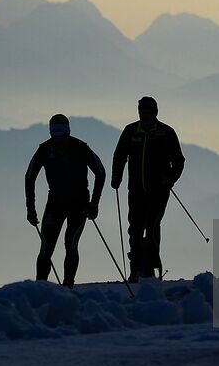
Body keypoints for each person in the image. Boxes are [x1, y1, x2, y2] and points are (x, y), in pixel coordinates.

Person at [25, 114, 105, 288]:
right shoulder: (45, 149)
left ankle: (68, 286)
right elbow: (29, 177)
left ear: (69, 131)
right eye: (55, 131)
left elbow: (100, 172)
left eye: (62, 131)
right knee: (46, 247)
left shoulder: (80, 147)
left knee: (71, 244)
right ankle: (40, 288)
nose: (59, 136)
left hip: (79, 205)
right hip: (55, 204)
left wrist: (94, 203)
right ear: (50, 132)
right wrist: (30, 209)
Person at [112, 96, 185, 282]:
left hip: (159, 191)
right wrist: (116, 178)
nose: (145, 114)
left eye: (148, 111)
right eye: (142, 111)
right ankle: (135, 269)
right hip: (135, 190)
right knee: (135, 229)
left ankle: (150, 269)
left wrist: (170, 179)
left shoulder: (166, 132)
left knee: (152, 227)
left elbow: (178, 160)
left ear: (155, 112)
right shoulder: (130, 131)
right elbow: (119, 155)